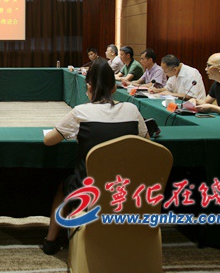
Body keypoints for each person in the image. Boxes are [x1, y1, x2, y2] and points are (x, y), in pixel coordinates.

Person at [42, 58, 148, 255]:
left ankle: (50, 241)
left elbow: (49, 140)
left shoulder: (81, 112)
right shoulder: (132, 110)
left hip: (89, 188)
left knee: (63, 187)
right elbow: (146, 141)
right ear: (114, 88)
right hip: (127, 185)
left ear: (88, 87)